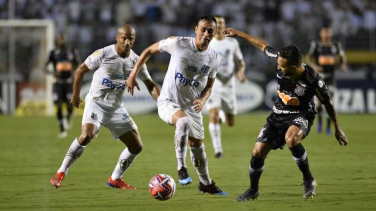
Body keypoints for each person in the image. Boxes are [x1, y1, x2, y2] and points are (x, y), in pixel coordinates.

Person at [221, 28, 348, 201]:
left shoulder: (313, 80)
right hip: (278, 115)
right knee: (257, 152)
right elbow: (262, 45)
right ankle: (253, 190)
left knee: (291, 139)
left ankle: (308, 179)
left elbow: (327, 103)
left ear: (295, 67)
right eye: (279, 63)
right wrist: (239, 34)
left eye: (282, 66)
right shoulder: (280, 58)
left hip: (302, 114)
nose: (278, 67)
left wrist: (337, 129)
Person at [49, 24, 160, 189]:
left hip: (116, 108)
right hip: (96, 103)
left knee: (137, 146)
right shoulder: (103, 53)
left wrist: (162, 102)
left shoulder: (137, 61)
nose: (127, 42)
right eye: (124, 38)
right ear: (117, 38)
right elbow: (80, 71)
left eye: (131, 39)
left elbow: (150, 85)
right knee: (87, 135)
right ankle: (60, 172)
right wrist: (75, 95)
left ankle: (115, 178)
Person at [127, 16, 228, 195]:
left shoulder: (214, 58)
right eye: (203, 29)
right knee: (183, 123)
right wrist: (133, 74)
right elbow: (149, 51)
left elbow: (210, 86)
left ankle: (205, 183)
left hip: (192, 107)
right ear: (196, 29)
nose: (206, 34)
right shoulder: (178, 43)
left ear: (214, 34)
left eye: (210, 31)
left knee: (198, 147)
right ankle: (181, 167)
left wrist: (203, 99)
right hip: (168, 102)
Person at [206, 15, 246, 158]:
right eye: (218, 23)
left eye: (222, 23)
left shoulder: (232, 43)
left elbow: (240, 61)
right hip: (213, 83)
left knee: (230, 122)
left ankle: (224, 114)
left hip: (228, 84)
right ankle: (218, 149)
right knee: (213, 114)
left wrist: (241, 72)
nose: (220, 25)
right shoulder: (208, 42)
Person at [306, 26, 347, 135]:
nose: (327, 34)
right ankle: (320, 122)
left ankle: (329, 127)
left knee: (329, 101)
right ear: (321, 33)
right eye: (325, 32)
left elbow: (342, 56)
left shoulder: (336, 44)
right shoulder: (316, 44)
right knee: (319, 103)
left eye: (329, 32)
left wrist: (343, 64)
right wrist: (314, 66)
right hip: (319, 77)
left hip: (331, 76)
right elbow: (308, 58)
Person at [45, 34, 79, 138]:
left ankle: (68, 118)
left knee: (70, 104)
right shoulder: (53, 53)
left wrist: (74, 71)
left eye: (63, 40)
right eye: (60, 40)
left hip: (68, 82)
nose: (62, 42)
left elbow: (77, 64)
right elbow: (45, 67)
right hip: (58, 82)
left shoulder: (71, 52)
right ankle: (62, 130)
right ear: (57, 41)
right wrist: (53, 73)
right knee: (58, 106)